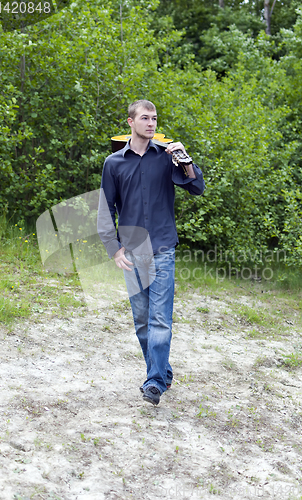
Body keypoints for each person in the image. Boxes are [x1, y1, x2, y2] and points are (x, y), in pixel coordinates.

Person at [98, 99, 205, 405]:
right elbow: (105, 210)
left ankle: (154, 382)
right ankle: (163, 372)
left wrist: (185, 160)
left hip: (161, 248)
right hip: (132, 253)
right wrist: (114, 249)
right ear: (130, 122)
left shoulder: (166, 158)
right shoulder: (114, 163)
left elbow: (197, 188)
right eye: (145, 118)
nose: (152, 123)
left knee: (160, 319)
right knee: (142, 320)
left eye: (155, 119)